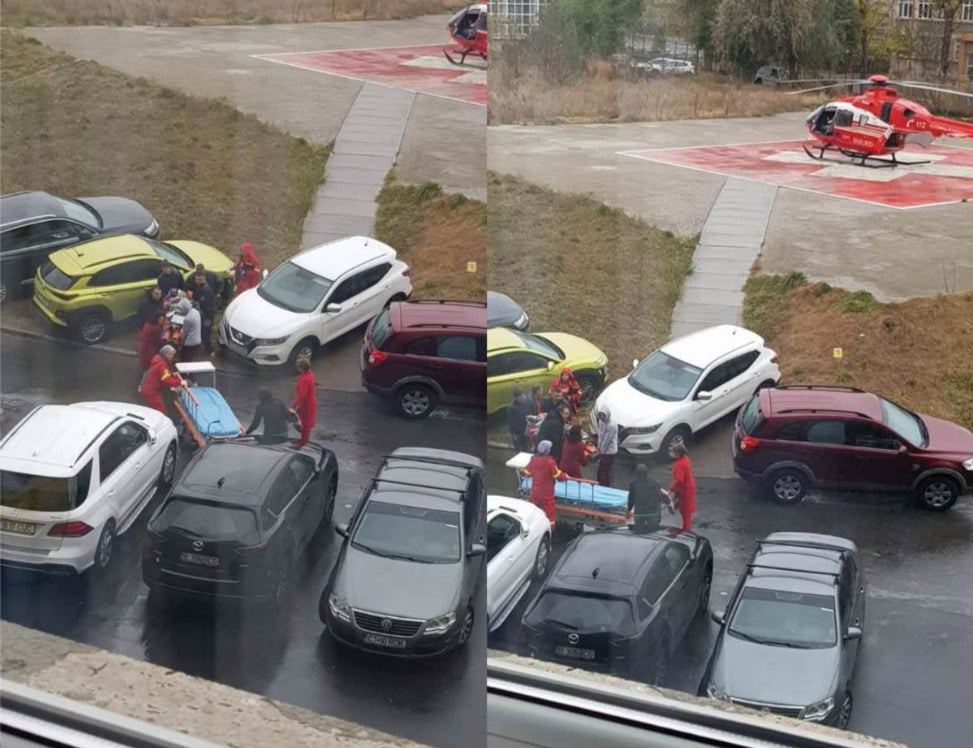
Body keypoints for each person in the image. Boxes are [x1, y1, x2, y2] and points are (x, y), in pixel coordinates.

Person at [522, 440, 565, 529]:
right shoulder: (550, 462)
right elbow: (558, 476)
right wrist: (565, 476)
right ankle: (549, 531)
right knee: (550, 516)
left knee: (532, 512)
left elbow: (526, 472)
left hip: (535, 493)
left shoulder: (534, 459)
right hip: (547, 494)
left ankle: (531, 529)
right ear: (548, 450)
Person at [139, 345, 183, 415]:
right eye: (171, 354)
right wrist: (180, 382)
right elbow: (167, 380)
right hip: (152, 391)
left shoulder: (158, 361)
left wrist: (171, 374)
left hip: (149, 389)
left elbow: (163, 374)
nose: (172, 357)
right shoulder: (162, 365)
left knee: (155, 409)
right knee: (161, 412)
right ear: (166, 354)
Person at [627, 464, 671, 533]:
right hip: (652, 513)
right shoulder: (655, 483)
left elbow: (631, 499)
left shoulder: (633, 484)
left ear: (636, 474)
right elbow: (659, 497)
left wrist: (629, 510)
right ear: (647, 473)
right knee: (653, 533)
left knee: (639, 532)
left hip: (639, 513)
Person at [667, 440, 697, 533]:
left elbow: (679, 480)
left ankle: (686, 530)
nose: (671, 453)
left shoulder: (680, 464)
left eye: (672, 451)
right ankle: (686, 527)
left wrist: (670, 489)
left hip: (684, 489)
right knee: (686, 510)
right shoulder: (685, 459)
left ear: (677, 453)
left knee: (685, 511)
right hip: (688, 486)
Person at [291, 357, 317, 448]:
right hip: (308, 402)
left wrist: (294, 405)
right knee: (304, 422)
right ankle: (303, 439)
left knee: (305, 423)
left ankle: (303, 441)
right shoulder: (309, 375)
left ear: (301, 367)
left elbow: (302, 395)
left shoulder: (305, 378)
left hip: (306, 404)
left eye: (298, 367)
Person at [190, 272, 218, 353]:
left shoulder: (205, 289)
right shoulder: (200, 287)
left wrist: (194, 303)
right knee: (203, 332)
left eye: (200, 279)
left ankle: (209, 349)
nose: (198, 281)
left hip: (207, 314)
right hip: (205, 313)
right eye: (197, 279)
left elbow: (203, 302)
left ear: (204, 279)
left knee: (206, 333)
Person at [596, 406, 618, 487]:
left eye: (603, 415)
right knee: (604, 470)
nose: (602, 418)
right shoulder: (601, 422)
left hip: (609, 451)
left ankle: (604, 485)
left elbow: (607, 440)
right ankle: (604, 483)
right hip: (603, 450)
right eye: (600, 415)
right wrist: (599, 447)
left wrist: (601, 452)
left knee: (603, 471)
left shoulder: (612, 426)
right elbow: (600, 435)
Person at [174, 298, 202, 363]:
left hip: (189, 343)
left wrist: (181, 344)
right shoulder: (196, 312)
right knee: (191, 359)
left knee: (185, 360)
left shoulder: (187, 318)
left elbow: (185, 333)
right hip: (197, 340)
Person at [507, 387, 533, 452]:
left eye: (523, 395)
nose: (523, 398)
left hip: (527, 431)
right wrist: (514, 434)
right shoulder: (512, 408)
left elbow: (532, 413)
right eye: (520, 397)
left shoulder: (528, 402)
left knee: (527, 449)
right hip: (518, 433)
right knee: (519, 451)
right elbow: (511, 423)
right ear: (516, 398)